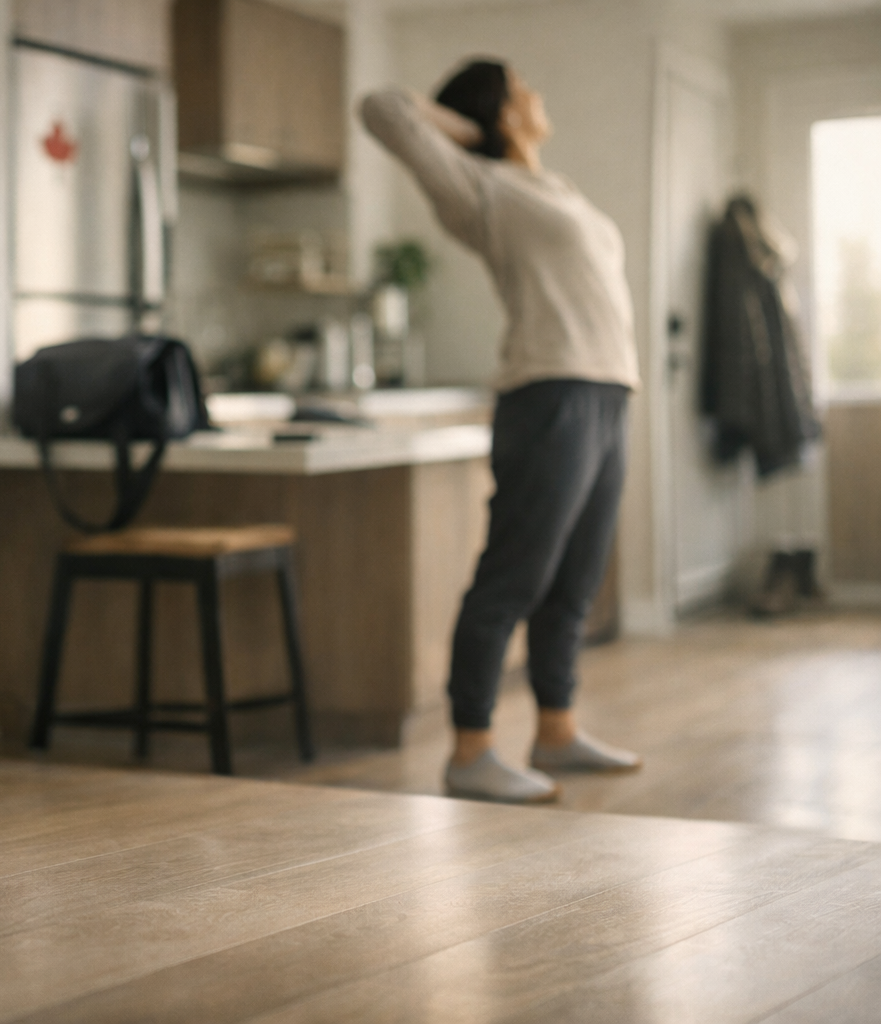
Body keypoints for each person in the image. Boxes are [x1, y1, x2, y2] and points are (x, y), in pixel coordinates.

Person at [359, 60, 642, 803]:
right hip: (549, 394)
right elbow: (382, 108)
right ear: (501, 111)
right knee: (513, 577)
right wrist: (476, 129)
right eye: (522, 86)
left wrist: (501, 129)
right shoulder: (479, 189)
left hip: (609, 392)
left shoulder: (555, 188)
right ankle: (471, 750)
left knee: (575, 582)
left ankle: (556, 731)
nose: (539, 92)